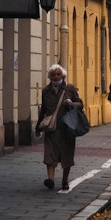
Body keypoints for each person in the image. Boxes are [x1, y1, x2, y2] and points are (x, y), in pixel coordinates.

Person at [36, 63, 84, 191]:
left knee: (66, 155)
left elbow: (80, 104)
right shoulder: (46, 91)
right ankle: (50, 180)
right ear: (50, 76)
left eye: (58, 74)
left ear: (63, 75)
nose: (56, 77)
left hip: (67, 128)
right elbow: (44, 110)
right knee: (49, 155)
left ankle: (64, 181)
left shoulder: (70, 89)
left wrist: (72, 104)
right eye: (53, 75)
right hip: (52, 129)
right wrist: (38, 126)